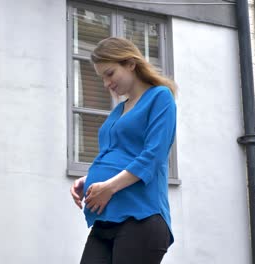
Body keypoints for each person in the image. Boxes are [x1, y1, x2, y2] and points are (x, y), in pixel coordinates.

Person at [70, 37, 177, 264]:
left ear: (130, 63)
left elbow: (153, 156)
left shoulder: (160, 96)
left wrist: (109, 187)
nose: (107, 83)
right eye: (102, 78)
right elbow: (120, 154)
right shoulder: (119, 109)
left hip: (141, 216)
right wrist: (89, 179)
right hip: (105, 220)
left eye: (110, 73)